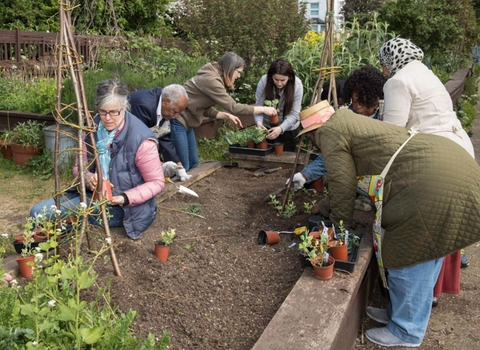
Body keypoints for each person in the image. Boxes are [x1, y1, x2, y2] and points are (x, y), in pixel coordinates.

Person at [299, 105, 480, 347]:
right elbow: (349, 177)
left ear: (314, 131)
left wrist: (338, 231)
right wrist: (322, 206)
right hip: (445, 167)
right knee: (429, 254)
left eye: (310, 136)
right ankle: (399, 314)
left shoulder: (329, 132)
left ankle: (407, 330)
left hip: (430, 185)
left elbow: (342, 186)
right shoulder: (347, 123)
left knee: (407, 257)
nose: (312, 142)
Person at [378, 37, 473, 304]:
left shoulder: (397, 81)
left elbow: (392, 136)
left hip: (436, 158)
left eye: (383, 64)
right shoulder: (424, 72)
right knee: (440, 229)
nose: (383, 70)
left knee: (418, 228)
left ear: (390, 60)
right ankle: (426, 296)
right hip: (460, 149)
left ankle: (413, 305)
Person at [30, 79, 165, 240]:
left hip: (124, 208)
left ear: (124, 108)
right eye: (102, 112)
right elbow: (78, 168)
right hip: (91, 194)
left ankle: (48, 242)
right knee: (37, 212)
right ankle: (37, 248)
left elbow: (157, 182)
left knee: (59, 217)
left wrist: (124, 197)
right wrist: (88, 178)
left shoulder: (140, 139)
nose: (107, 118)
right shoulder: (91, 128)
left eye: (113, 112)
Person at [172, 52, 278, 171]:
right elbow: (234, 107)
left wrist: (225, 115)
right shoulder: (211, 80)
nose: (239, 76)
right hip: (178, 119)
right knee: (183, 166)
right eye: (238, 72)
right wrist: (264, 109)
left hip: (187, 122)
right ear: (230, 68)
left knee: (193, 162)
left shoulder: (214, 76)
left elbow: (201, 107)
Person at [288, 65, 386, 190]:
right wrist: (304, 175)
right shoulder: (349, 118)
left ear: (376, 98)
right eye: (355, 101)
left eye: (363, 102)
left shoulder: (386, 117)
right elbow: (334, 152)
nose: (358, 107)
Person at [128, 84, 192, 181]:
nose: (176, 116)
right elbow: (140, 142)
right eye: (175, 111)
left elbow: (163, 136)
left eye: (179, 112)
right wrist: (159, 164)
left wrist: (178, 165)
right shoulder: (144, 107)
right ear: (166, 102)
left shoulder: (163, 107)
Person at [254, 58, 303, 151]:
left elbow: (295, 114)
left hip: (289, 128)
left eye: (283, 80)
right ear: (271, 76)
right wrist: (259, 123)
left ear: (289, 77)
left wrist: (281, 128)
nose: (279, 83)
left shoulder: (297, 85)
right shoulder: (264, 82)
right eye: (276, 79)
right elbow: (258, 108)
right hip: (266, 127)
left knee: (287, 158)